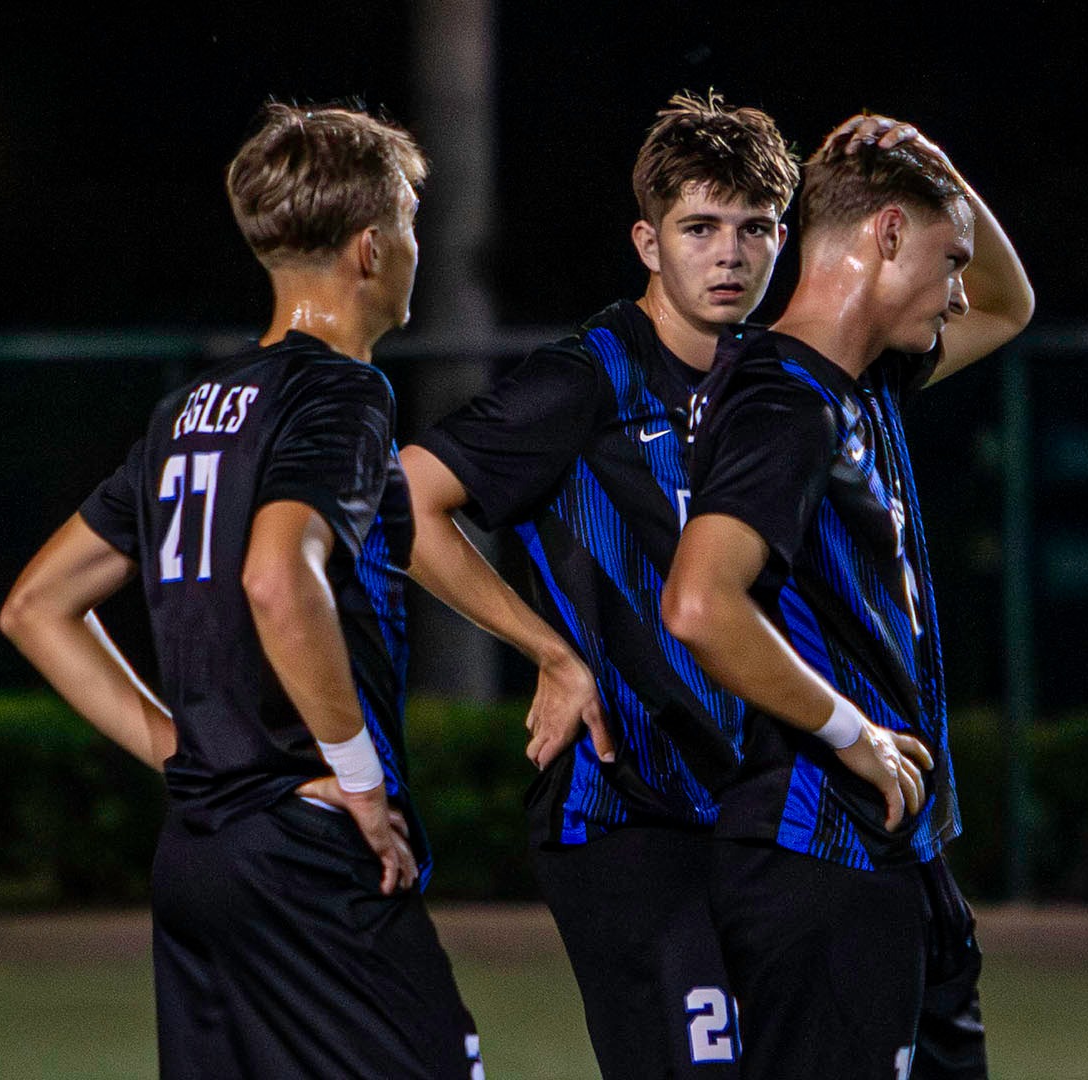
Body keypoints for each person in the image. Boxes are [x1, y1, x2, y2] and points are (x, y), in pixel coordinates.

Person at [0, 102, 482, 1080]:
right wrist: (358, 778)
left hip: (198, 857)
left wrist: (173, 746)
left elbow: (35, 607)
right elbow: (277, 576)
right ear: (370, 249)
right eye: (413, 228)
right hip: (304, 851)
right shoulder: (343, 393)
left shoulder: (189, 410)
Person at [400, 90, 797, 1078]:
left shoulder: (784, 381)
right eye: (699, 228)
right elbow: (405, 501)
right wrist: (550, 651)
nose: (730, 254)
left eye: (755, 229)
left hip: (765, 811)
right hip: (623, 808)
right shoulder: (589, 378)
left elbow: (996, 316)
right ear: (648, 242)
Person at [662, 116, 1033, 1079]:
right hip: (818, 850)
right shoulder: (785, 400)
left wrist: (942, 167)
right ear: (888, 237)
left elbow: (1010, 302)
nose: (960, 289)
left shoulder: (859, 384)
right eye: (947, 258)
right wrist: (849, 732)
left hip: (894, 856)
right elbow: (700, 603)